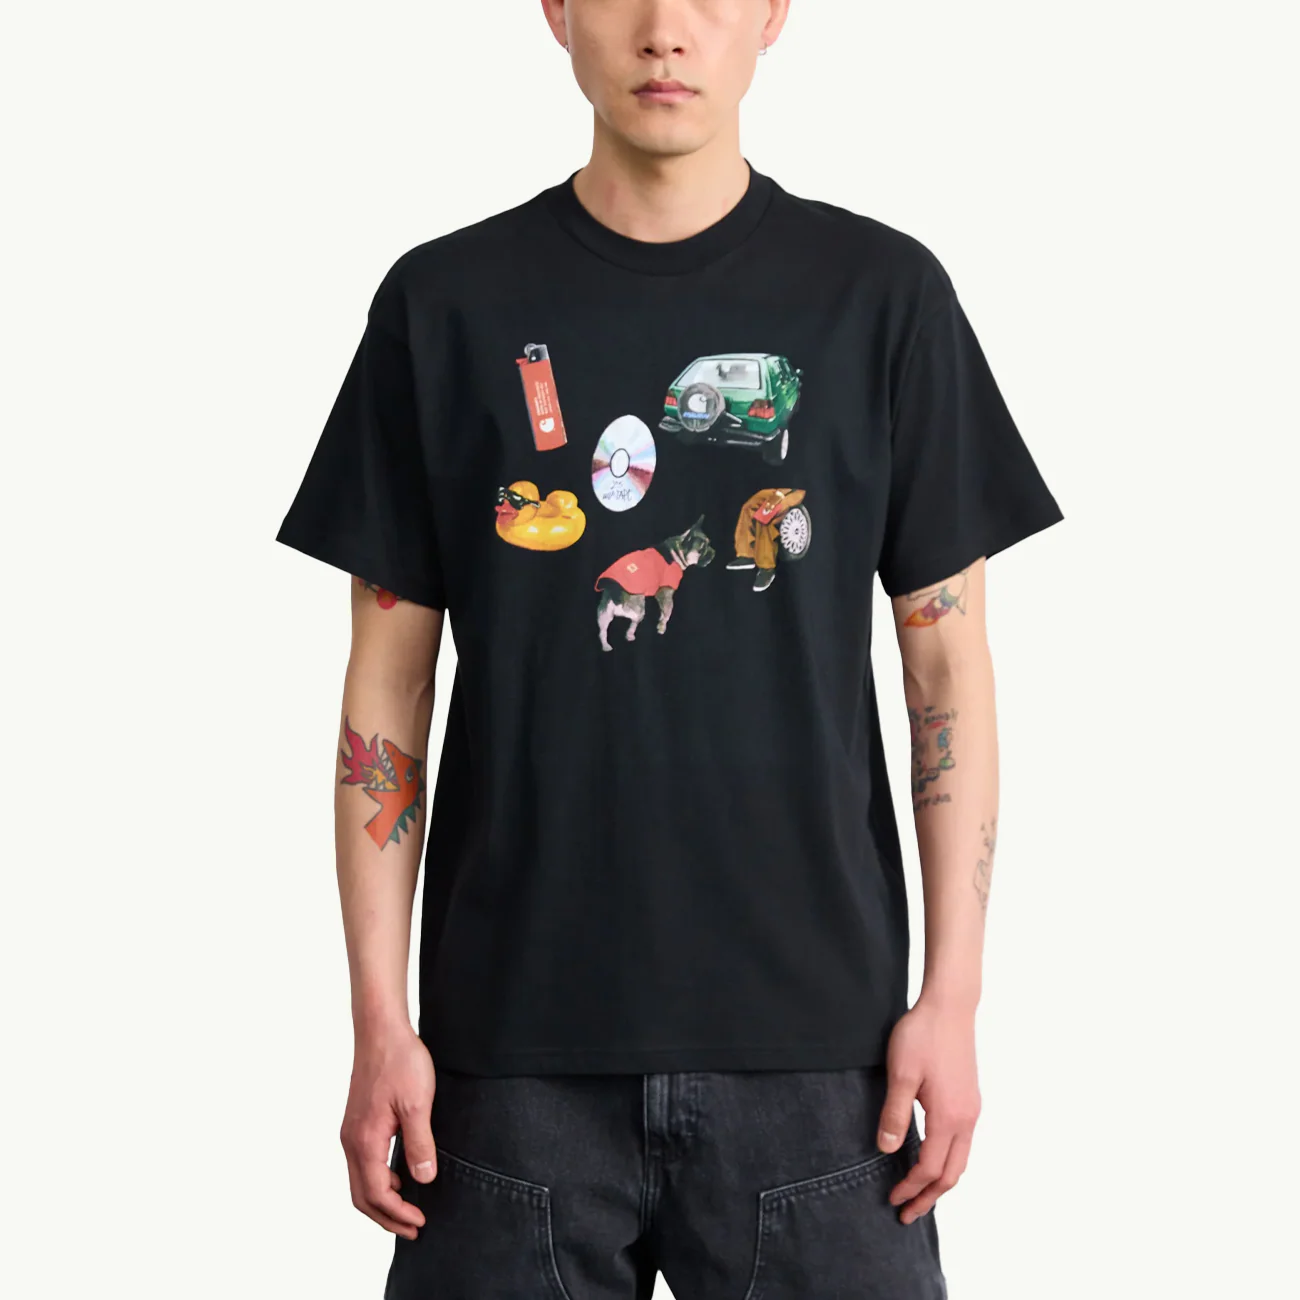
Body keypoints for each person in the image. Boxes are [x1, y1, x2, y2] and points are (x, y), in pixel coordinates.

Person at [273, 1, 1063, 1295]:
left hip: (826, 1071)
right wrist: (377, 1021)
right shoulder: (445, 304)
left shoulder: (883, 298)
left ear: (773, 14)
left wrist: (956, 998)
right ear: (556, 10)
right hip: (503, 1070)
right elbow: (386, 685)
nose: (663, 30)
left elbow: (947, 672)